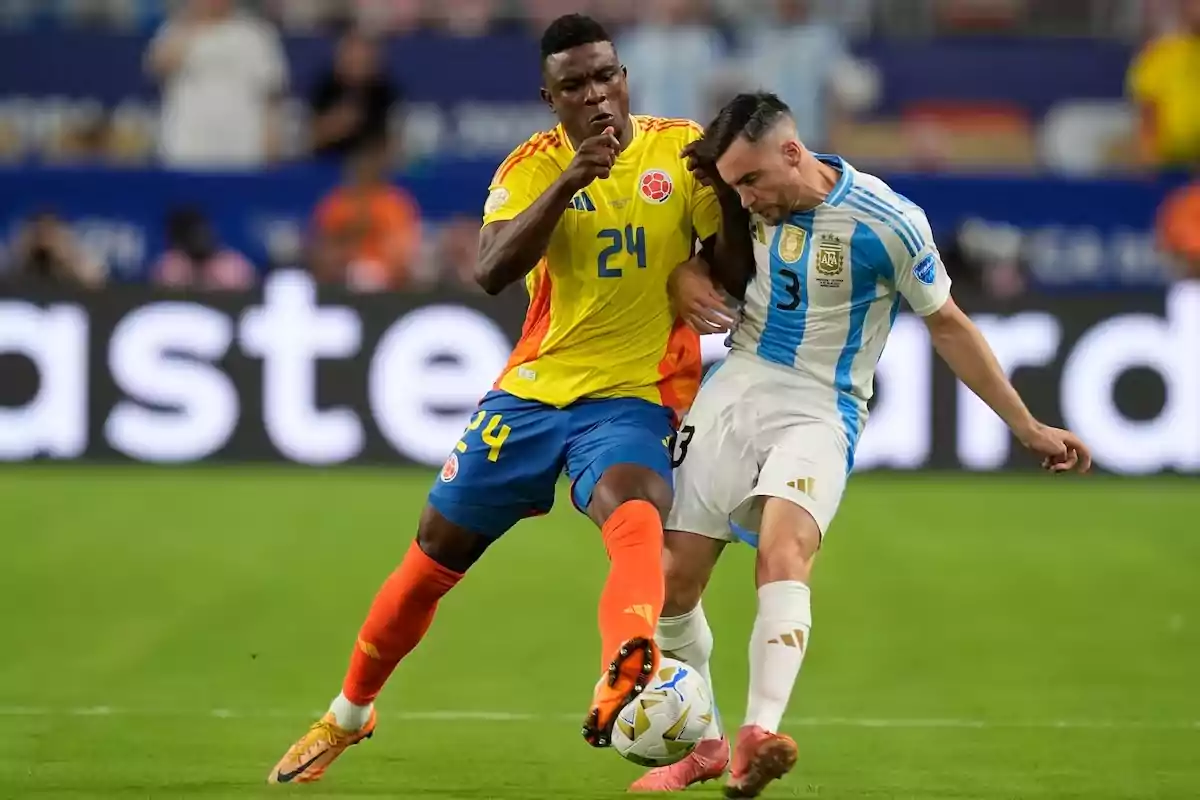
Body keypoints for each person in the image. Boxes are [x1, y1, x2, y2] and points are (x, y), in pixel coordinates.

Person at [267, 13, 751, 785]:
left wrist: (721, 205)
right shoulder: (532, 166)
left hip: (634, 392)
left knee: (636, 508)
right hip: (532, 393)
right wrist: (570, 181)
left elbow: (733, 272)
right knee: (431, 557)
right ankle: (350, 713)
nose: (597, 96)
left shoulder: (678, 150)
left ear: (624, 77)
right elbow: (491, 270)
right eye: (575, 86)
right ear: (549, 98)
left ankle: (626, 673)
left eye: (606, 76)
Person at [631, 92, 1093, 798]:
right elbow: (693, 260)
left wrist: (1026, 426)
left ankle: (760, 731)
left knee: (787, 549)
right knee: (674, 580)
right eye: (735, 187)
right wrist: (683, 275)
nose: (745, 199)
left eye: (752, 181)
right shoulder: (740, 200)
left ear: (792, 152)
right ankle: (710, 745)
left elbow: (948, 326)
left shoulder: (889, 222)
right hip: (738, 385)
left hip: (823, 405)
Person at [311, 133, 422, 292]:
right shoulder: (337, 203)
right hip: (341, 277)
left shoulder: (394, 203)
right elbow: (321, 247)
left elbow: (402, 250)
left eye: (370, 164)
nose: (365, 170)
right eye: (360, 165)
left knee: (366, 274)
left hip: (383, 277)